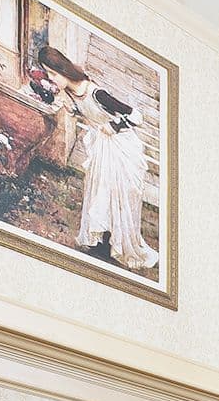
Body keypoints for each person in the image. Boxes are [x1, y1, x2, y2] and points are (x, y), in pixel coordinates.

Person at [34, 45, 162, 273]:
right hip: (103, 147)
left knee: (118, 193)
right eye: (49, 74)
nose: (52, 78)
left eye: (53, 74)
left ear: (63, 70)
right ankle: (102, 243)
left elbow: (136, 116)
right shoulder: (72, 93)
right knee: (100, 193)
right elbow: (81, 112)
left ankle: (120, 243)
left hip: (121, 147)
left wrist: (114, 125)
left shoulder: (96, 93)